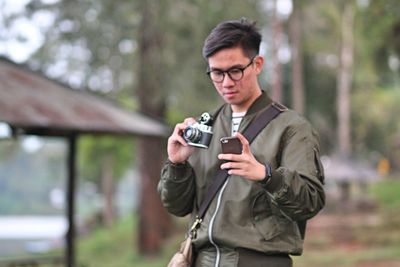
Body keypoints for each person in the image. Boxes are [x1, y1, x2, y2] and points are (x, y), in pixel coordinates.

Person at [158, 18, 325, 267]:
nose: (226, 82)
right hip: (201, 260)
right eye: (217, 72)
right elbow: (177, 206)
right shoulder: (205, 127)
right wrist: (177, 164)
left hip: (259, 261)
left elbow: (310, 201)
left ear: (257, 64)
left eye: (235, 70)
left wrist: (265, 175)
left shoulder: (291, 128)